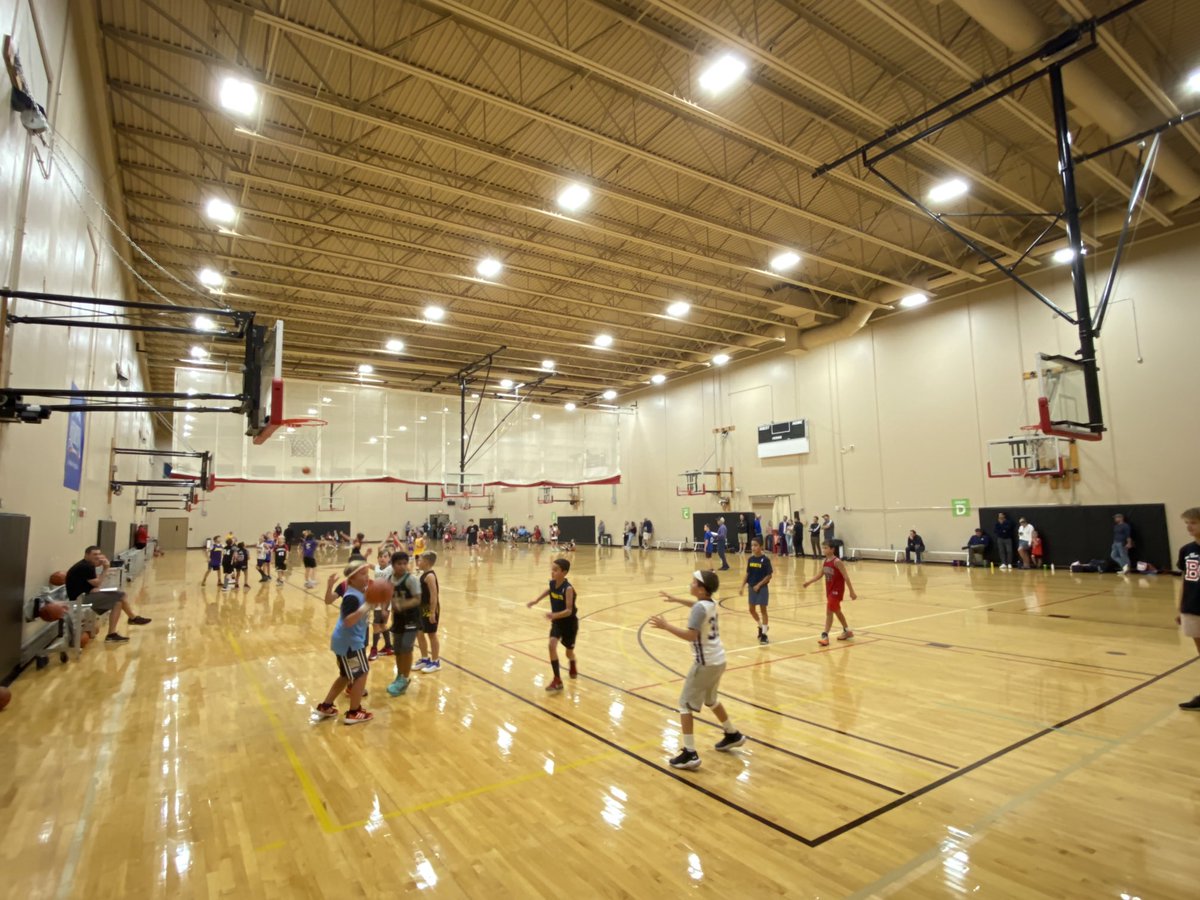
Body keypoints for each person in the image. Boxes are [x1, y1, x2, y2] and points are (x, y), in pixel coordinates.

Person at [650, 570, 746, 770]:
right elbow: (697, 606)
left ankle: (690, 753)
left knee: (684, 704)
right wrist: (676, 599)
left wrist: (666, 626)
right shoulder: (710, 603)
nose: (691, 583)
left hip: (704, 664)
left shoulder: (699, 609)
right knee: (711, 700)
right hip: (719, 660)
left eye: (694, 582)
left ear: (701, 589)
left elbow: (691, 636)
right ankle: (732, 734)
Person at [313, 561, 374, 724]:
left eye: (367, 573)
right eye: (362, 574)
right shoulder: (352, 597)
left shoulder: (360, 591)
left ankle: (326, 706)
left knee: (346, 675)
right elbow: (348, 621)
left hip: (345, 641)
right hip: (350, 643)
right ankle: (354, 712)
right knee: (361, 673)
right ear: (351, 579)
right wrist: (367, 606)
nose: (367, 576)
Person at [65, 545, 151, 643]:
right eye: (94, 554)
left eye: (99, 554)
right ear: (87, 555)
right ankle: (133, 618)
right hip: (79, 600)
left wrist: (93, 587)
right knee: (121, 595)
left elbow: (94, 584)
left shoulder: (87, 565)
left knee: (117, 603)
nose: (97, 556)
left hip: (84, 596)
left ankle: (111, 634)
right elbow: (97, 583)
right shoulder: (86, 566)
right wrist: (106, 568)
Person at [526, 557, 579, 691]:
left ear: (564, 572)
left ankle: (572, 661)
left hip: (569, 624)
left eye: (556, 570)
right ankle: (557, 679)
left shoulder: (568, 589)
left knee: (568, 653)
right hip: (557, 623)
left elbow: (568, 610)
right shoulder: (553, 583)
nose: (552, 572)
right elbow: (549, 590)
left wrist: (554, 614)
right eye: (552, 569)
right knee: (551, 645)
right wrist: (536, 600)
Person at [803, 541, 857, 646]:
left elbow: (846, 576)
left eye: (826, 548)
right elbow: (819, 575)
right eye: (823, 548)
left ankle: (825, 635)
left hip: (837, 591)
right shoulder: (825, 561)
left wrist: (851, 591)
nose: (824, 550)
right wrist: (809, 582)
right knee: (837, 611)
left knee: (829, 611)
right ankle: (847, 631)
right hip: (829, 590)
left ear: (832, 549)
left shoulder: (837, 562)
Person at [384, 551, 423, 697]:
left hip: (411, 618)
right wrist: (384, 610)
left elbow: (418, 599)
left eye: (405, 563)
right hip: (398, 619)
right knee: (398, 649)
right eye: (399, 564)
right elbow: (387, 596)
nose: (402, 566)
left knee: (407, 647)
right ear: (393, 565)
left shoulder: (411, 580)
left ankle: (405, 678)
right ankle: (400, 676)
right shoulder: (389, 579)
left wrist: (402, 605)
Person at [1174, 508, 1200, 710]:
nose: (1189, 527)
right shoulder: (1186, 550)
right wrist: (1180, 608)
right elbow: (1185, 579)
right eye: (1187, 523)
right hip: (1192, 607)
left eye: (1193, 522)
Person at [413, 551, 442, 673]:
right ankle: (425, 658)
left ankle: (436, 661)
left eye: (420, 560)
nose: (418, 562)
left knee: (431, 634)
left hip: (428, 609)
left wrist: (432, 612)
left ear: (427, 562)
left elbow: (434, 595)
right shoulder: (424, 574)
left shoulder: (430, 576)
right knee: (419, 633)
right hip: (421, 608)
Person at [740, 538, 773, 644]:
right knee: (751, 609)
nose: (753, 547)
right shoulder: (751, 559)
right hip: (751, 588)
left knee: (763, 610)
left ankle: (764, 635)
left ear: (761, 547)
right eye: (752, 545)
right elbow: (748, 574)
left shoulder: (765, 560)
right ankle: (761, 626)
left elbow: (769, 575)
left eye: (756, 545)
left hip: (762, 588)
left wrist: (759, 585)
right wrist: (742, 586)